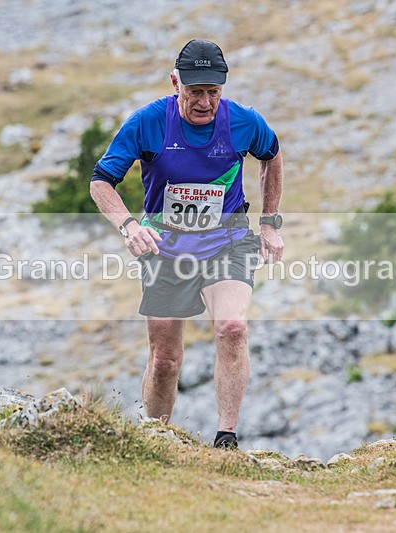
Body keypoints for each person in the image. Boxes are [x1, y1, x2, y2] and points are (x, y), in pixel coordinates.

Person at [90, 39, 284, 449]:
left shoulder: (243, 121)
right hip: (166, 248)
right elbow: (100, 182)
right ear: (175, 82)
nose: (204, 102)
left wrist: (269, 223)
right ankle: (154, 442)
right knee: (165, 361)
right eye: (195, 92)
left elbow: (272, 153)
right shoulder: (148, 122)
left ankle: (226, 438)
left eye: (213, 92)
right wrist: (128, 226)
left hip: (226, 242)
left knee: (232, 328)